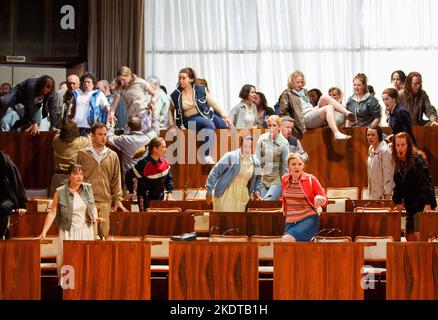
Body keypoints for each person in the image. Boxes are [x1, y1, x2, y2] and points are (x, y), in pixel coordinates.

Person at [36, 164, 102, 268]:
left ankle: (81, 284)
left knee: (84, 262)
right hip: (68, 231)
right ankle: (68, 284)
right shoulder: (60, 192)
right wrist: (44, 232)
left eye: (81, 174)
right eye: (75, 174)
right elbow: (53, 212)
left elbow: (92, 206)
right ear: (69, 176)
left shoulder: (87, 188)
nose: (79, 176)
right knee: (68, 262)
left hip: (86, 230)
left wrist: (95, 218)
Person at [168, 67, 233, 164]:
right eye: (179, 78)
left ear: (191, 79)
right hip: (189, 119)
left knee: (224, 125)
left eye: (184, 78)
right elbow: (170, 110)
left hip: (205, 114)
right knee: (209, 125)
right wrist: (172, 125)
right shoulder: (175, 95)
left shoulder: (200, 89)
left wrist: (224, 115)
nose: (181, 81)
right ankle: (206, 155)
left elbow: (213, 103)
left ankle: (226, 153)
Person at [77, 124, 127, 239]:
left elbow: (116, 179)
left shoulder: (112, 155)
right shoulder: (82, 154)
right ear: (92, 136)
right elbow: (76, 178)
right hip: (87, 200)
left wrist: (118, 199)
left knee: (104, 235)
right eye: (100, 134)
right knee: (90, 235)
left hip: (105, 201)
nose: (103, 137)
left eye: (105, 134)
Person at [279, 70, 353, 140]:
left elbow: (310, 104)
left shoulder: (304, 91)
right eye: (298, 82)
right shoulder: (287, 94)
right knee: (329, 108)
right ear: (292, 82)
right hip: (303, 118)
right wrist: (292, 126)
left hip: (312, 111)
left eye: (302, 82)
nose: (300, 84)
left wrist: (315, 108)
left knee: (324, 97)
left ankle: (347, 113)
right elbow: (284, 113)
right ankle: (336, 133)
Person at [392, 132, 436, 241]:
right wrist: (397, 202)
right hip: (410, 206)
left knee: (419, 237)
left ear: (409, 146)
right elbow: (398, 184)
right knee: (409, 236)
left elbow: (426, 183)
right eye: (398, 145)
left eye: (403, 145)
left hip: (421, 205)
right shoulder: (399, 162)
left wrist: (428, 204)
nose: (400, 148)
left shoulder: (417, 160)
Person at [206, 135, 263, 212]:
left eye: (250, 146)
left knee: (237, 222)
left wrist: (257, 191)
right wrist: (209, 190)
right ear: (240, 146)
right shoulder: (231, 156)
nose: (247, 149)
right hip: (226, 193)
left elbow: (258, 179)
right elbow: (215, 171)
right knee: (224, 221)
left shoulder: (255, 162)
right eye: (245, 146)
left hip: (242, 196)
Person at [281, 153, 327, 242]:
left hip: (308, 219)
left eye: (300, 164)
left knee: (287, 240)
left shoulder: (311, 179)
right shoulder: (284, 180)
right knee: (291, 249)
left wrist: (320, 198)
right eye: (293, 164)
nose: (296, 167)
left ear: (303, 166)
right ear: (288, 166)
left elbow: (324, 198)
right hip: (290, 221)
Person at [125, 137, 174, 211]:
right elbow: (128, 174)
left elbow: (168, 179)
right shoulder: (144, 164)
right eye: (163, 147)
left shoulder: (164, 162)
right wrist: (131, 191)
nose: (165, 149)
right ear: (155, 149)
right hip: (145, 198)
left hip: (159, 197)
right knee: (145, 220)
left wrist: (169, 193)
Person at [109, 66, 159, 133]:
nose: (122, 82)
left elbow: (156, 95)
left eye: (123, 79)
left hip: (143, 116)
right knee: (127, 137)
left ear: (129, 76)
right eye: (119, 80)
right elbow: (113, 105)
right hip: (131, 118)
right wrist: (111, 114)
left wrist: (153, 101)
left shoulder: (140, 82)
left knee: (142, 139)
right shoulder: (120, 87)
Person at [50, 120, 91, 195]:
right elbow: (90, 138)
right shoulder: (79, 142)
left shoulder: (56, 140)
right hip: (73, 178)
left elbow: (58, 133)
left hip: (57, 177)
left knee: (54, 203)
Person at [256, 115, 289, 200]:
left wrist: (286, 187)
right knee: (260, 204)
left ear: (279, 127)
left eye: (274, 125)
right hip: (263, 179)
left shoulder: (284, 143)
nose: (271, 128)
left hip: (276, 180)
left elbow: (285, 168)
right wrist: (256, 182)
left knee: (267, 202)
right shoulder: (262, 139)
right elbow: (257, 162)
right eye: (269, 125)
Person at [0, 151, 27, 239]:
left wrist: (22, 204)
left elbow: (17, 183)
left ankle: (1, 235)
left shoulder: (7, 162)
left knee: (4, 207)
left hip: (7, 196)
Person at [366, 126, 394, 200]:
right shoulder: (371, 149)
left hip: (384, 196)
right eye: (368, 135)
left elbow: (389, 175)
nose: (370, 137)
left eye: (373, 135)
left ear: (379, 136)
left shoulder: (385, 151)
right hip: (373, 193)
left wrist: (387, 195)